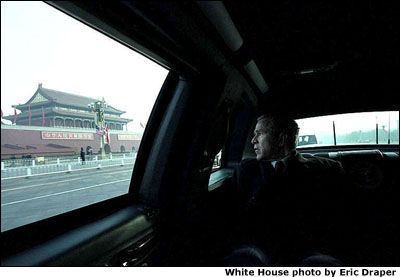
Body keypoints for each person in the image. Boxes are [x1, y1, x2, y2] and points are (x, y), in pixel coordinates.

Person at [225, 114, 347, 266]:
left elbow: (336, 219)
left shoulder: (325, 169)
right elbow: (234, 217)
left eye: (259, 134)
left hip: (308, 250)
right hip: (258, 248)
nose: (253, 140)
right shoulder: (246, 170)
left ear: (281, 139)